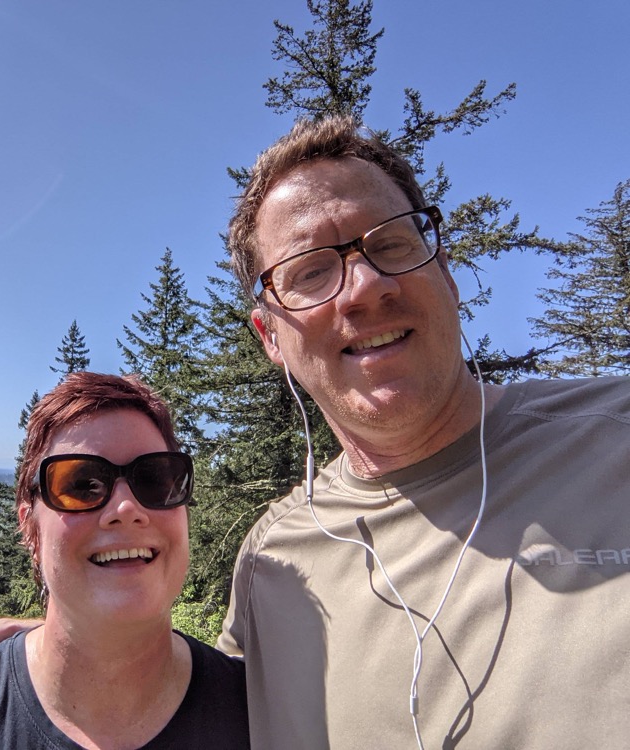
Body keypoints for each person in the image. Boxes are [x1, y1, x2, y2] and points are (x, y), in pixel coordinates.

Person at [217, 114, 630, 748]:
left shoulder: (615, 436)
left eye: (390, 244)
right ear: (271, 337)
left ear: (446, 274)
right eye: (309, 271)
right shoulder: (270, 564)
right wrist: (47, 658)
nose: (364, 288)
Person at [0, 372, 249, 749]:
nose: (126, 507)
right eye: (81, 485)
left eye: (156, 479)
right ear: (31, 528)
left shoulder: (261, 715)